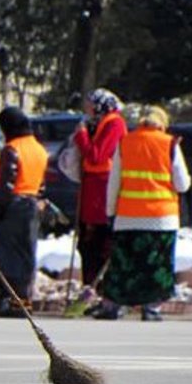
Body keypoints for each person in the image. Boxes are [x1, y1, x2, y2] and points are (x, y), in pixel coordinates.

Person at [95, 106, 191, 321]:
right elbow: (182, 184)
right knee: (157, 266)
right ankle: (151, 307)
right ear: (162, 123)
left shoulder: (125, 143)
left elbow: (114, 182)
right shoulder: (170, 144)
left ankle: (113, 305)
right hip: (161, 218)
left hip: (128, 216)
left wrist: (110, 211)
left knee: (123, 264)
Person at [0, 106, 48, 318]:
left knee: (7, 255)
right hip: (32, 205)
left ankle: (10, 300)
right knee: (26, 254)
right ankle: (24, 299)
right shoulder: (39, 149)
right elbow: (42, 184)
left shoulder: (12, 148)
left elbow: (7, 184)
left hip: (13, 206)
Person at [73, 88, 127, 287]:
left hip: (101, 191)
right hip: (92, 191)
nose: (87, 110)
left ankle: (98, 287)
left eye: (90, 106)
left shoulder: (114, 124)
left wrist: (82, 136)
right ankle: (91, 285)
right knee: (88, 245)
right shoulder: (98, 124)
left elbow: (97, 156)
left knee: (98, 244)